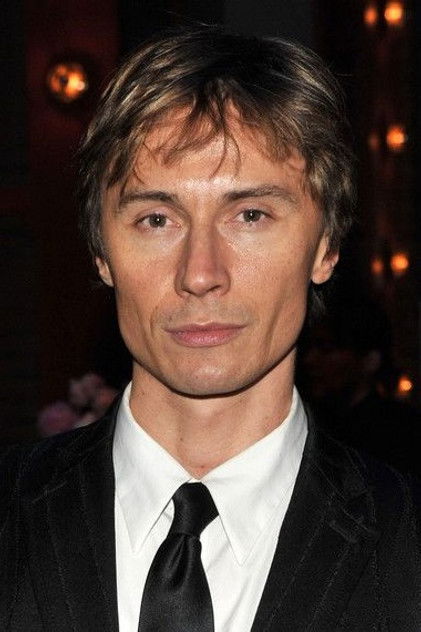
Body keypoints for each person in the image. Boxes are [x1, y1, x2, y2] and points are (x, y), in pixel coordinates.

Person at [1, 27, 420, 632]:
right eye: (156, 219)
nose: (200, 274)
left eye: (250, 215)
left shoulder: (405, 547)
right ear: (100, 251)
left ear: (326, 246)